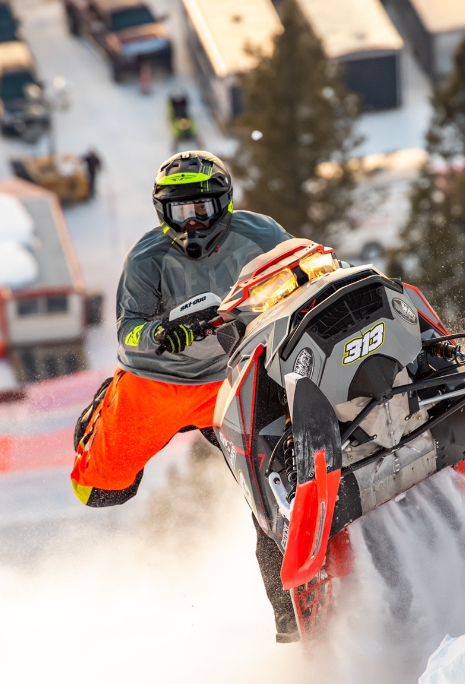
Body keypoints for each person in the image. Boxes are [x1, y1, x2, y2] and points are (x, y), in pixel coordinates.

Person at [69, 151, 302, 642]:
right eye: (179, 212)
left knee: (273, 488)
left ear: (225, 203)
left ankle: (290, 615)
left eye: (202, 208)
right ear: (162, 212)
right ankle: (101, 411)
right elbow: (126, 332)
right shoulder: (146, 257)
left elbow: (307, 275)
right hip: (157, 383)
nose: (192, 222)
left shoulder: (261, 236)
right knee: (98, 488)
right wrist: (161, 332)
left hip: (233, 376)